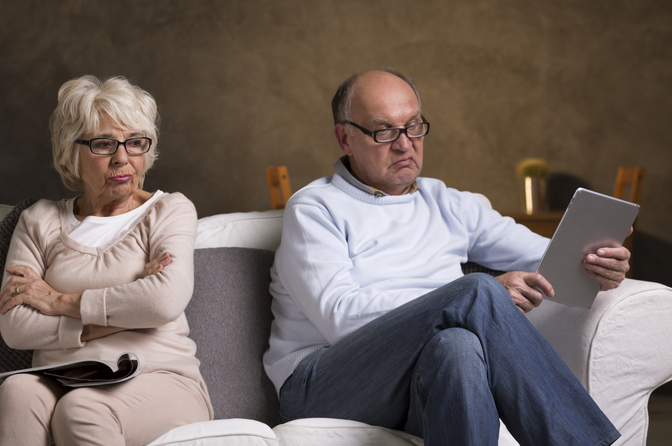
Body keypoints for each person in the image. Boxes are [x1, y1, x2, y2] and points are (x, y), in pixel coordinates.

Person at [263, 68, 630, 445]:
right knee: (476, 291)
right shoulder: (314, 208)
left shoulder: (450, 204)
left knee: (458, 347)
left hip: (418, 378)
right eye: (384, 130)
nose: (405, 145)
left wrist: (598, 259)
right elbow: (339, 318)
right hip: (325, 383)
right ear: (345, 137)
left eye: (414, 126)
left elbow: (549, 255)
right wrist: (463, 297)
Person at [0, 75, 212, 446]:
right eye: (104, 144)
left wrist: (59, 302)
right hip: (59, 375)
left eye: (135, 143)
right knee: (16, 392)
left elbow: (162, 301)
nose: (122, 158)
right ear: (70, 152)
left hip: (158, 378)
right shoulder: (40, 220)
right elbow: (16, 327)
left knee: (82, 409)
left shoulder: (169, 211)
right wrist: (126, 310)